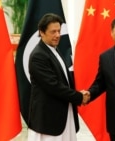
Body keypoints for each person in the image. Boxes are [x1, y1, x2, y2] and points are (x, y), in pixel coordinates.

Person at [27, 13, 90, 141]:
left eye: (59, 31)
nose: (57, 35)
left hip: (64, 116)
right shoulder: (38, 56)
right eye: (53, 32)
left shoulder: (54, 49)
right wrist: (79, 97)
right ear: (42, 32)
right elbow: (53, 86)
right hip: (49, 122)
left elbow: (64, 81)